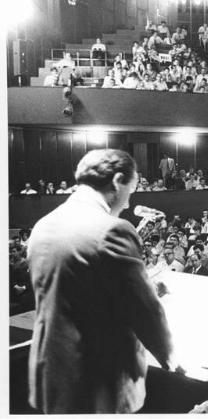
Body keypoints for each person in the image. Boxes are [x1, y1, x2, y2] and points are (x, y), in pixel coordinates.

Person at [26, 149, 179, 413]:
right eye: (131, 192)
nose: (129, 203)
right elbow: (145, 312)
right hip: (98, 380)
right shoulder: (112, 229)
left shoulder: (43, 225)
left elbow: (78, 289)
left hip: (50, 372)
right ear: (117, 181)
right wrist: (171, 358)